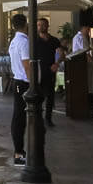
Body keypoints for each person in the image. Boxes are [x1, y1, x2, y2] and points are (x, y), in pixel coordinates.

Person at [8, 13, 31, 165]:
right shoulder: (23, 42)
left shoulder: (14, 41)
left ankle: (19, 150)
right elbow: (26, 64)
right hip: (23, 82)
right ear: (25, 24)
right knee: (20, 118)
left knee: (19, 117)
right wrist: (33, 82)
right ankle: (18, 152)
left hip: (17, 81)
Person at [35, 18, 61, 128]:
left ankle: (48, 119)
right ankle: (38, 118)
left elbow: (60, 53)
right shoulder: (34, 40)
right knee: (38, 96)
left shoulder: (54, 40)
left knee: (50, 96)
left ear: (47, 26)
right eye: (39, 25)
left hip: (51, 70)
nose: (41, 27)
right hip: (39, 71)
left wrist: (57, 63)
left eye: (43, 25)